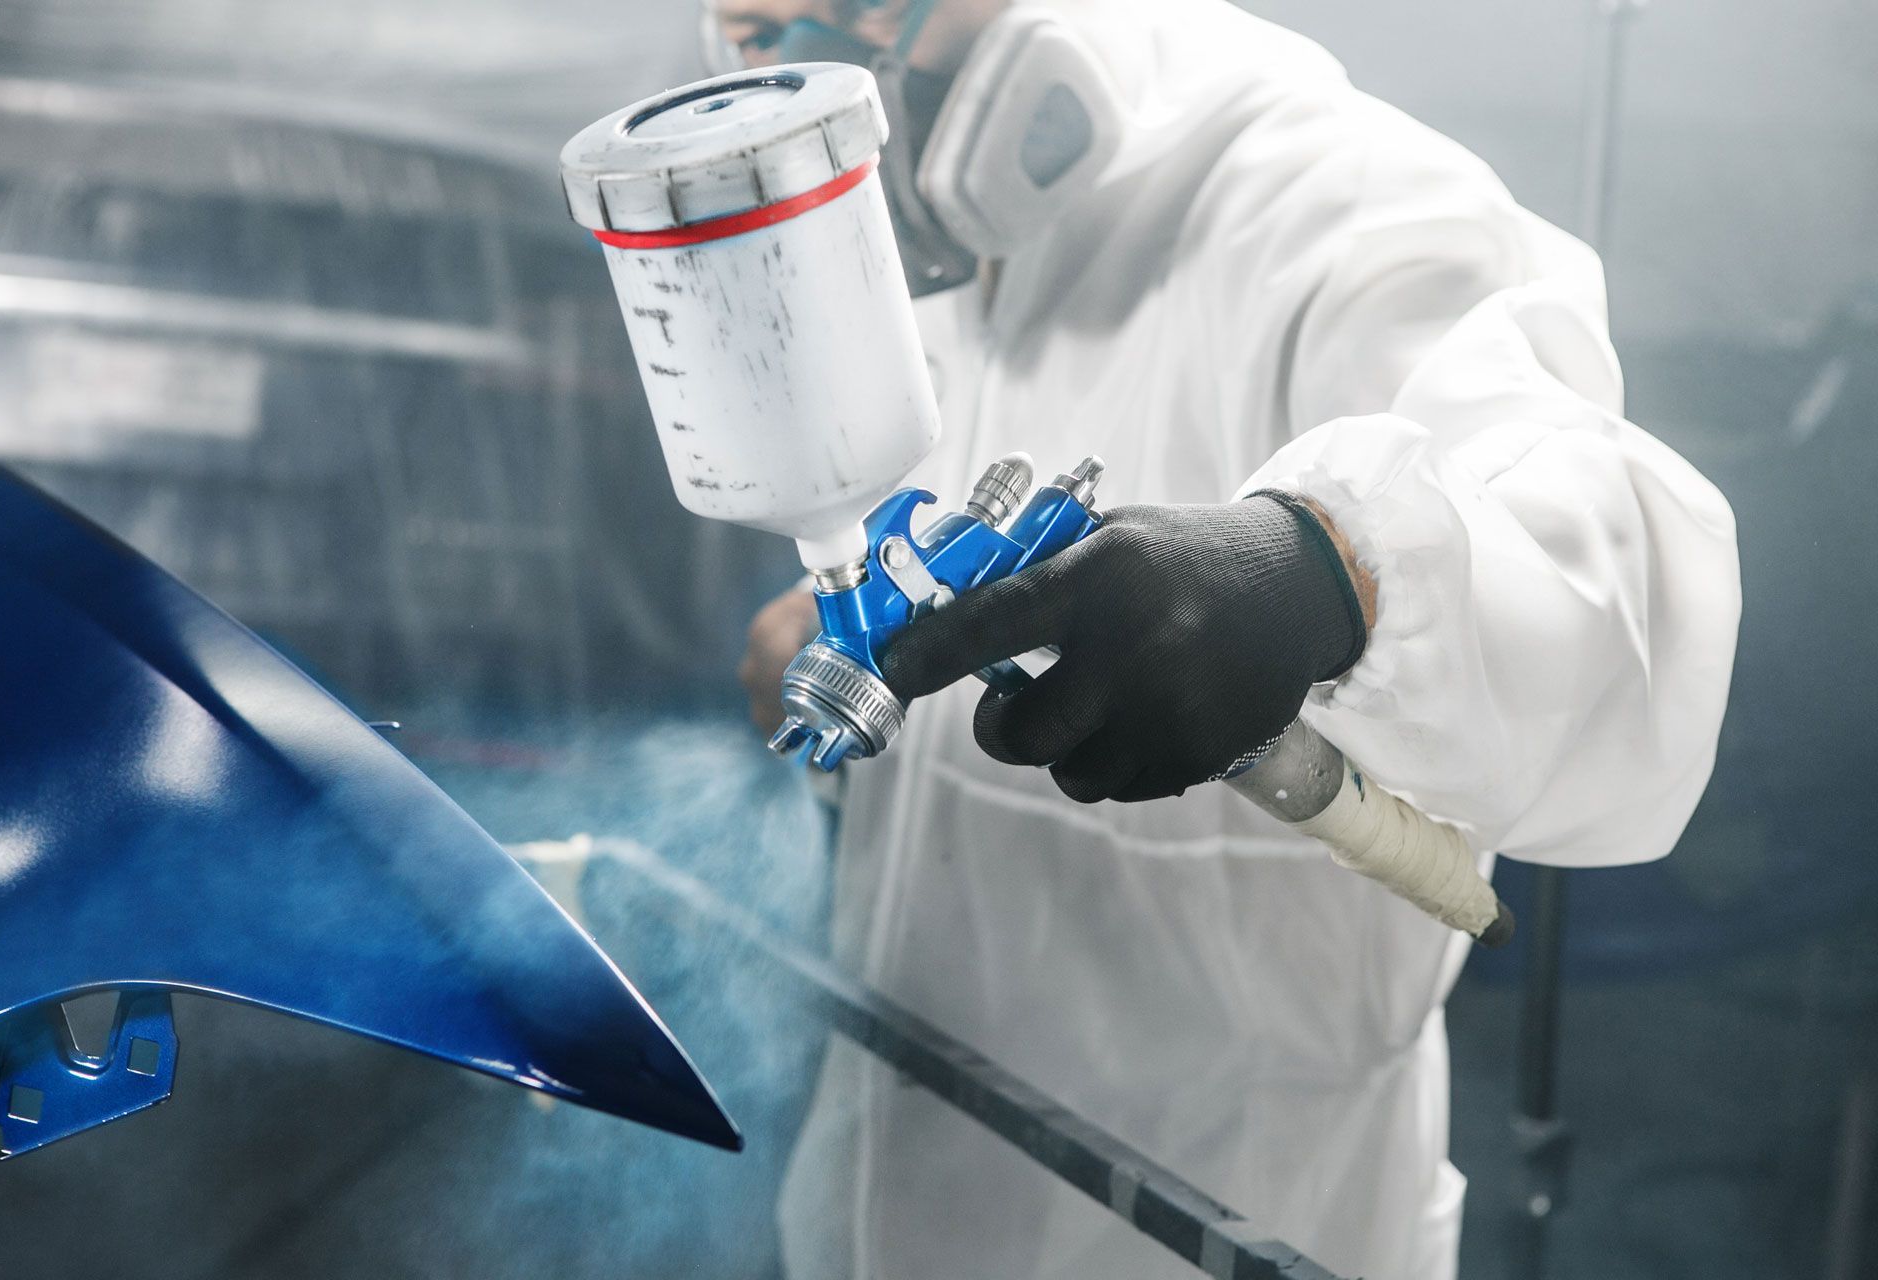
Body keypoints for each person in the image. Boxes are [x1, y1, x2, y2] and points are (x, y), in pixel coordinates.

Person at [717, 1, 1741, 1277]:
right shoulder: (918, 253)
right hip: (886, 1183)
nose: (803, 76)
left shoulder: (1347, 203)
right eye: (752, 32)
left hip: (1226, 1216)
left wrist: (1327, 573)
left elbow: (1623, 602)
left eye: (858, 11)